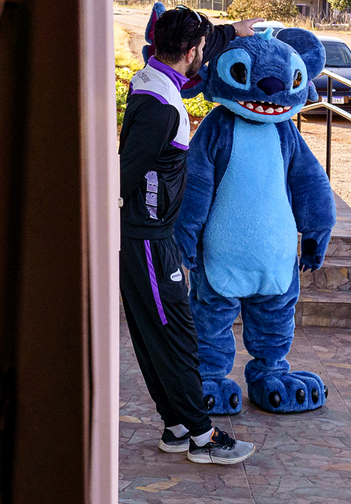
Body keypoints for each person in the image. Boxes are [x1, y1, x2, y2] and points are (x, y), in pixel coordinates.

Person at [118, 6, 259, 465]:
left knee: (156, 334)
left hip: (147, 238)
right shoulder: (159, 109)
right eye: (201, 47)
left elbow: (201, 44)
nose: (204, 53)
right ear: (189, 51)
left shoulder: (154, 77)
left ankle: (177, 426)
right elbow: (120, 178)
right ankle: (202, 436)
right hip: (148, 240)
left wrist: (232, 31)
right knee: (175, 336)